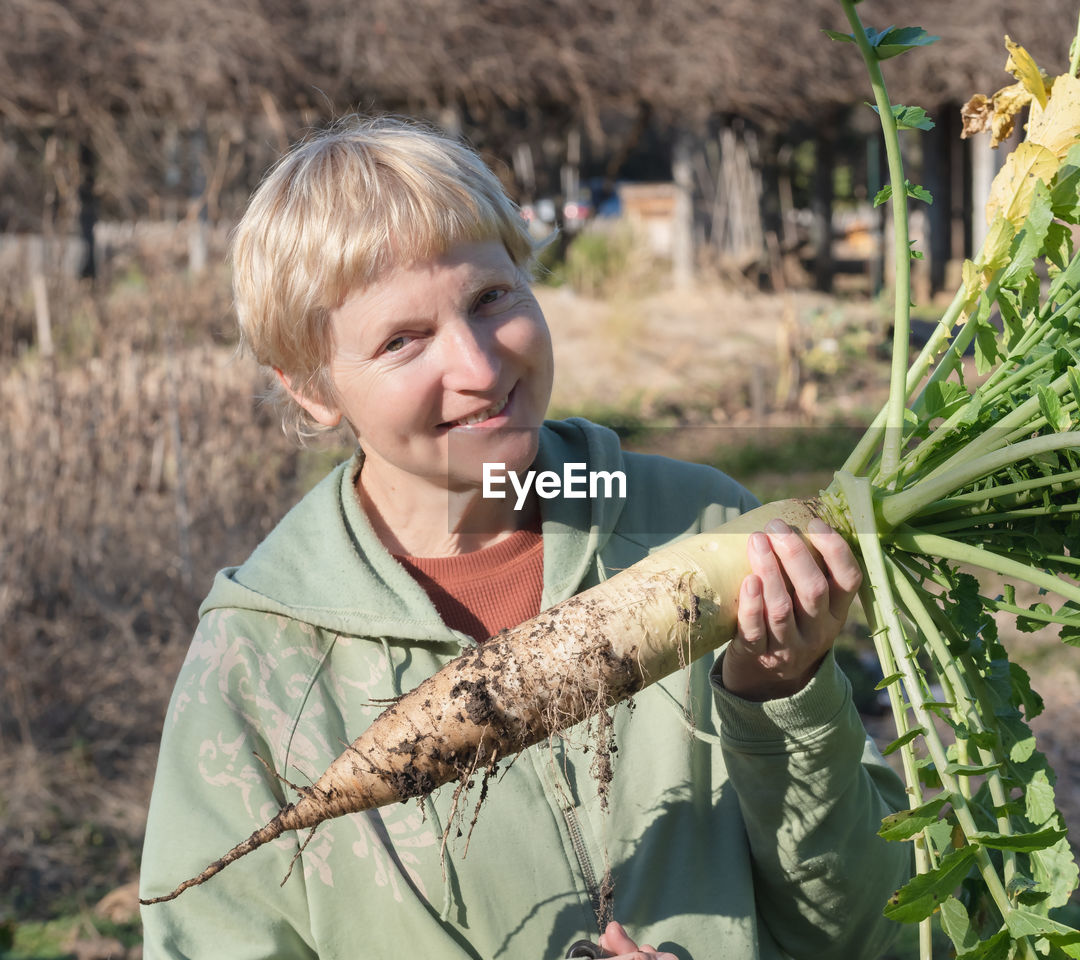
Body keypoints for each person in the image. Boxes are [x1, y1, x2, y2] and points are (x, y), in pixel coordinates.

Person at [139, 116, 909, 960]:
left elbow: (867, 933)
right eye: (403, 341)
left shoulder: (703, 528)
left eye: (490, 298)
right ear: (313, 390)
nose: (478, 367)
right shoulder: (256, 663)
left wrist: (779, 692)